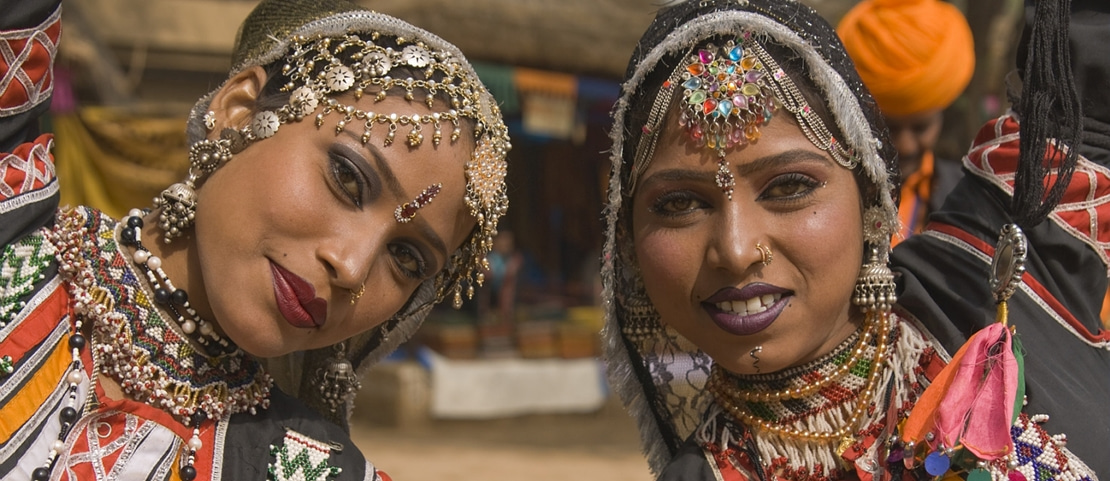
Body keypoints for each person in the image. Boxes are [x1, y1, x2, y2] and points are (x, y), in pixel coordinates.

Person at [0, 0, 510, 479]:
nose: (351, 266)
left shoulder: (307, 466)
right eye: (349, 179)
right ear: (238, 111)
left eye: (406, 257)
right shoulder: (13, 235)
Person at [601, 0, 1107, 479]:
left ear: (870, 196)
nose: (735, 251)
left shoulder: (988, 269)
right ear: (627, 242)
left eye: (789, 187)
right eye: (679, 205)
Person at [836, 0, 975, 243]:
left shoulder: (967, 199)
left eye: (921, 128)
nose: (905, 145)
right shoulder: (830, 191)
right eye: (888, 128)